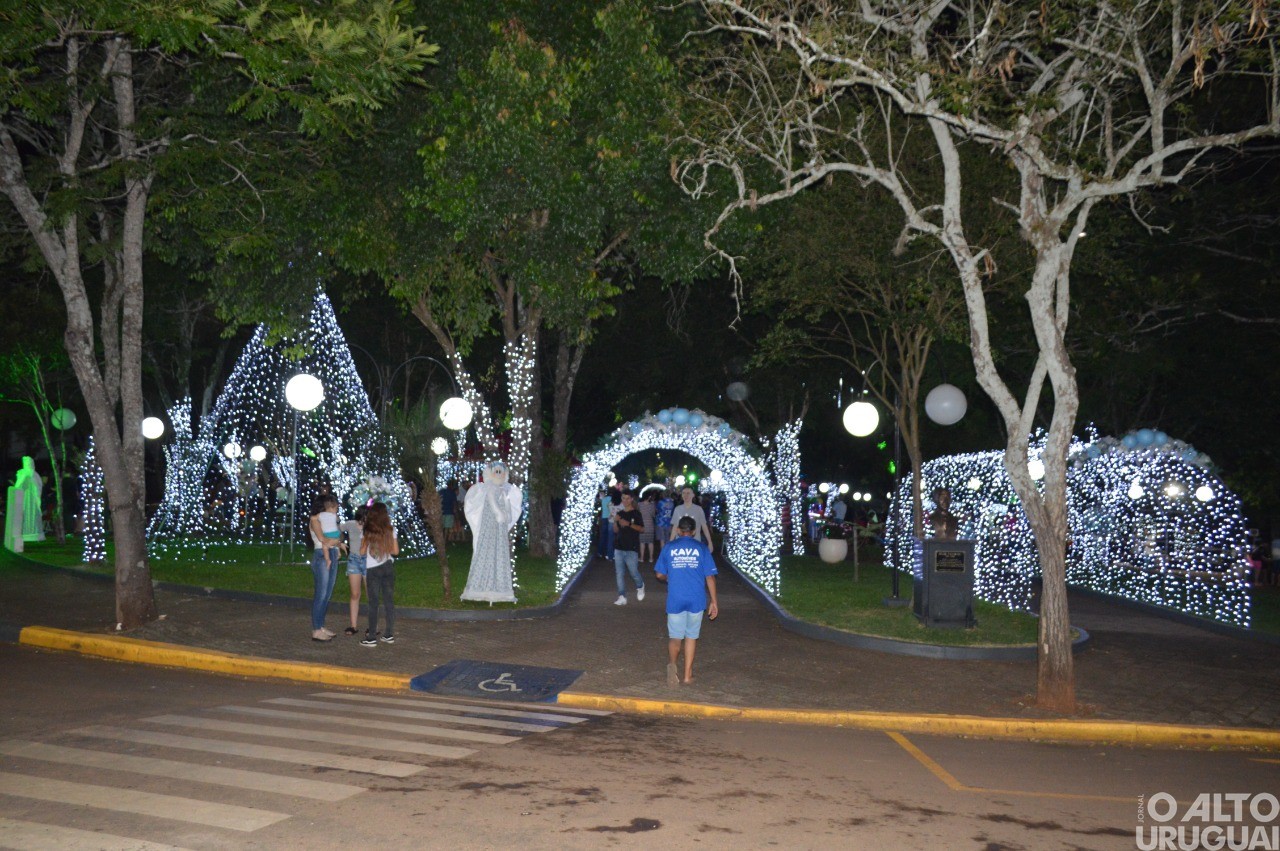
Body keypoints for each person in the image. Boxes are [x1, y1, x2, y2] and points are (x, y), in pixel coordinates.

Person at [655, 514, 719, 685]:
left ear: (677, 530)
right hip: (696, 599)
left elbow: (659, 574)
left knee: (675, 637)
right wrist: (714, 601)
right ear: (694, 531)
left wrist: (669, 577)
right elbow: (710, 578)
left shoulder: (669, 548)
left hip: (676, 598)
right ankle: (687, 675)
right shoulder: (701, 548)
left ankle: (672, 668)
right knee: (691, 637)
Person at [461, 462, 523, 603]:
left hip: (500, 529)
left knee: (499, 552)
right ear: (490, 473)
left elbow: (507, 504)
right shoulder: (488, 489)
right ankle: (480, 587)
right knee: (486, 551)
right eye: (496, 471)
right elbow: (492, 503)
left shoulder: (504, 490)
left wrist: (506, 514)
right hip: (489, 526)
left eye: (501, 471)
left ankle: (500, 589)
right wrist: (498, 513)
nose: (499, 474)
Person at [360, 502, 400, 646]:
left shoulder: (368, 530)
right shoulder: (390, 529)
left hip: (373, 569)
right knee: (389, 601)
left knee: (373, 603)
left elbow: (362, 551)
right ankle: (388, 634)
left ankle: (371, 637)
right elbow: (395, 551)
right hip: (388, 566)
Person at [308, 494, 345, 641]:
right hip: (322, 555)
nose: (335, 511)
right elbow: (324, 539)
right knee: (321, 594)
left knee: (327, 593)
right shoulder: (316, 520)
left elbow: (338, 537)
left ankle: (321, 625)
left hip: (332, 554)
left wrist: (336, 542)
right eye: (334, 507)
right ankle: (316, 629)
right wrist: (335, 541)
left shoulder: (329, 520)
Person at [612, 489, 646, 605]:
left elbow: (642, 529)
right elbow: (615, 530)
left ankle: (640, 586)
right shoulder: (620, 513)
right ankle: (622, 596)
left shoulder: (636, 513)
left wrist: (629, 524)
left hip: (631, 548)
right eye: (623, 498)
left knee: (633, 572)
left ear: (631, 499)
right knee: (619, 573)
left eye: (627, 498)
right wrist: (616, 522)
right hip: (619, 547)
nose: (625, 501)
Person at [340, 506, 368, 636]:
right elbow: (337, 528)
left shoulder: (372, 527)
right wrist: (340, 542)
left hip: (369, 560)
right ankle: (353, 625)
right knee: (355, 593)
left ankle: (373, 625)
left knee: (370, 595)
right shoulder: (351, 524)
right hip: (354, 560)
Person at [670, 486, 713, 552]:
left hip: (695, 543)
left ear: (693, 495)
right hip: (680, 544)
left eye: (688, 493)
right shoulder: (677, 509)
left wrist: (710, 542)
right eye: (683, 493)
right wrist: (670, 543)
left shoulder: (698, 509)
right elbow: (675, 527)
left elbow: (704, 526)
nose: (685, 495)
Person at [638, 490, 658, 562]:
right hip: (650, 524)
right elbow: (653, 515)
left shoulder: (639, 504)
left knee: (642, 542)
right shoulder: (652, 505)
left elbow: (638, 513)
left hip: (642, 524)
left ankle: (642, 558)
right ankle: (651, 558)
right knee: (650, 542)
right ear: (649, 497)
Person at [655, 488, 674, 554]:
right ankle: (667, 552)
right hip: (668, 522)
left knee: (662, 540)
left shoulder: (660, 502)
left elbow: (657, 510)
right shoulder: (672, 502)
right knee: (667, 539)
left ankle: (663, 553)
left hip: (660, 522)